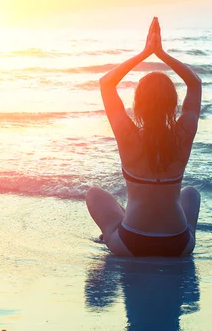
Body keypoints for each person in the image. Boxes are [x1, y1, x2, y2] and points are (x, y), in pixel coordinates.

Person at [86, 17, 202, 257]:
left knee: (94, 194)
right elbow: (195, 83)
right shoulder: (183, 134)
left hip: (132, 243)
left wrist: (145, 53)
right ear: (172, 104)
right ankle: (180, 232)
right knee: (191, 193)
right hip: (179, 245)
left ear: (138, 104)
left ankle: (110, 233)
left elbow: (106, 83)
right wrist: (162, 54)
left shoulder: (127, 134)